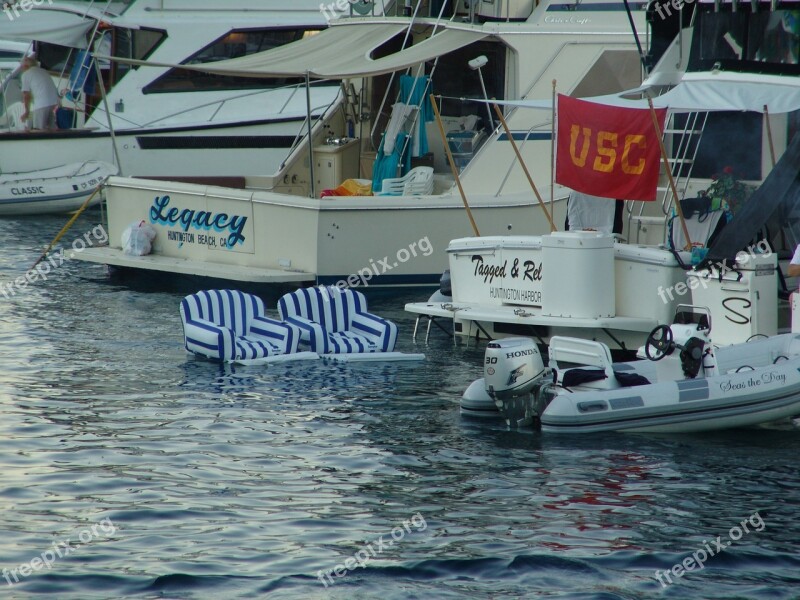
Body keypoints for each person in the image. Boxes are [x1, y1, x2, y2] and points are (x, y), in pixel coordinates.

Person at [20, 55, 60, 131]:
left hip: (42, 103)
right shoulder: (43, 71)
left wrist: (27, 111)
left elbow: (26, 95)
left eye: (21, 66)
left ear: (25, 65)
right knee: (52, 129)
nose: (21, 68)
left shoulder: (26, 74)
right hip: (53, 102)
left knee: (39, 130)